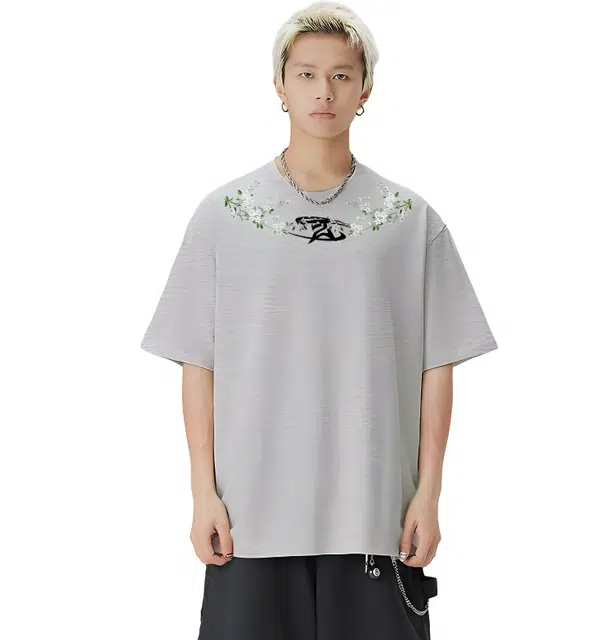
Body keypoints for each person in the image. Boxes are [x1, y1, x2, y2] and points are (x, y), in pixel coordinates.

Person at [139, 2, 498, 638]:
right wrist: (202, 493)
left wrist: (429, 493)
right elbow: (199, 362)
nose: (323, 92)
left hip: (373, 513)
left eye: (340, 75)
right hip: (251, 515)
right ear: (279, 85)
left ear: (365, 90)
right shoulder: (225, 215)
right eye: (306, 74)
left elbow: (437, 364)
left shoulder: (408, 219)